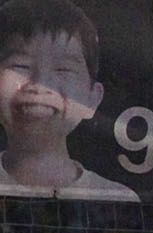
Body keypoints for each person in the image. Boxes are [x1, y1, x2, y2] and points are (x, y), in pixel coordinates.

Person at [0, 0, 137, 200]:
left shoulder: (116, 199)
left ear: (92, 98)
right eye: (20, 66)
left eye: (63, 70)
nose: (40, 84)